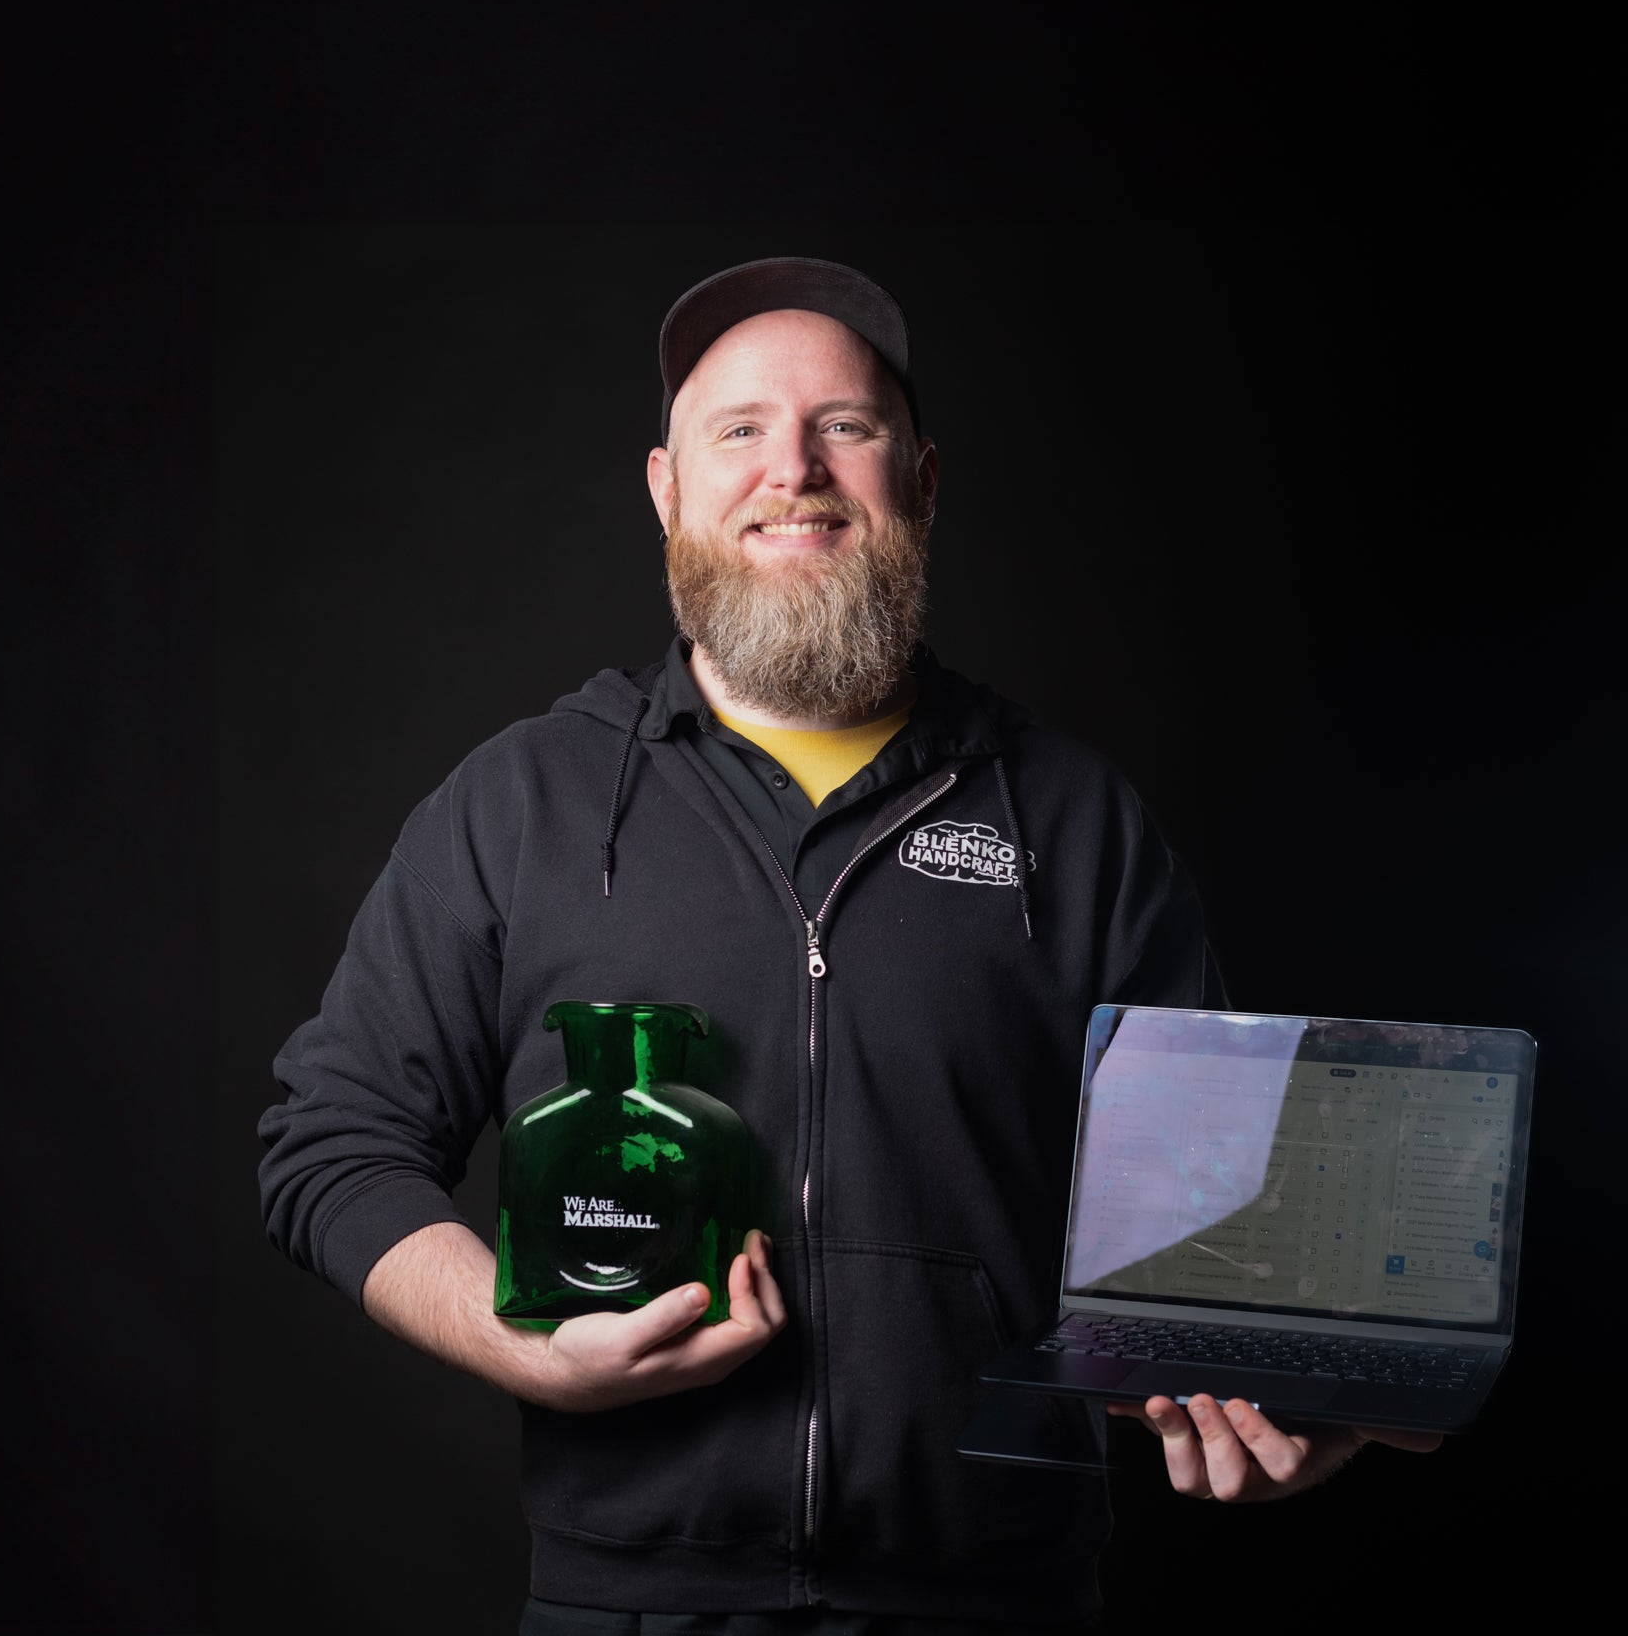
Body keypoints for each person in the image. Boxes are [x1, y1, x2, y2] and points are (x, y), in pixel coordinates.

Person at [257, 257, 1439, 1634]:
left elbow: (1211, 1216)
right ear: (667, 490)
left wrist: (1294, 1395)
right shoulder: (524, 804)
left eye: (846, 426)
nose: (794, 470)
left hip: (997, 1608)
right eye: (740, 429)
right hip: (628, 1608)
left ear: (921, 481)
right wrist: (525, 1346)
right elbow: (332, 1142)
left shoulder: (1074, 816)